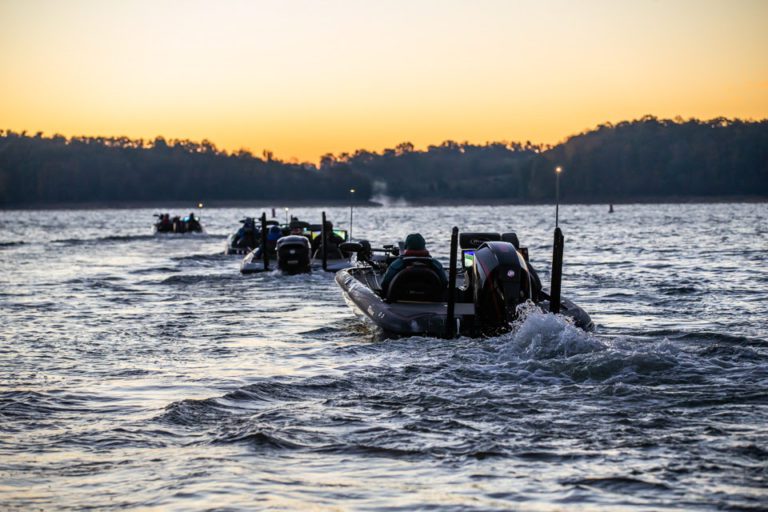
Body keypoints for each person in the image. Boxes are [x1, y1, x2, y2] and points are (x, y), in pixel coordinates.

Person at [379, 233, 447, 292]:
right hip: (432, 300)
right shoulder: (435, 264)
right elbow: (444, 283)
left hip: (402, 299)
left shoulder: (397, 264)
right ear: (424, 246)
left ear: (406, 246)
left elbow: (385, 284)